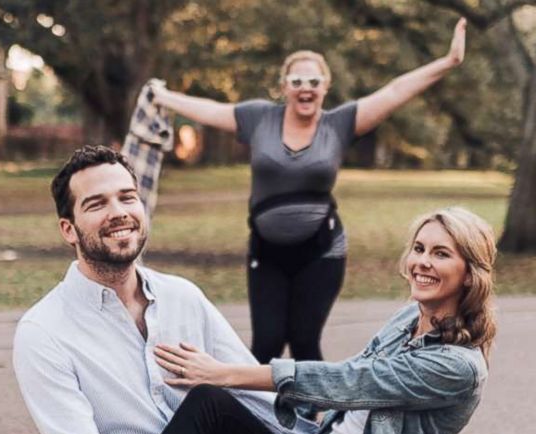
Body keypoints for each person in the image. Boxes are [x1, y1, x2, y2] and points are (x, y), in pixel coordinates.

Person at [11, 145, 360, 434]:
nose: (119, 212)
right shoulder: (44, 332)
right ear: (68, 229)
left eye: (127, 197)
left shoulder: (183, 297)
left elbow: (254, 400)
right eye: (97, 204)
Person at [90, 206, 498, 434]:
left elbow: (353, 380)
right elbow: (352, 382)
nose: (422, 262)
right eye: (420, 248)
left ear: (468, 274)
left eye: (441, 254)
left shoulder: (458, 366)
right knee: (209, 401)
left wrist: (227, 371)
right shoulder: (410, 317)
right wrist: (232, 387)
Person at [151, 19, 468, 364]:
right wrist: (164, 97)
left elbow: (394, 91)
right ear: (284, 87)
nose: (306, 88)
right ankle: (256, 417)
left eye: (314, 82)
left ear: (325, 87)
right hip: (266, 251)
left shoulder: (339, 124)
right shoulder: (259, 118)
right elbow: (211, 111)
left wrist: (449, 61)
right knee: (266, 345)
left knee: (304, 342)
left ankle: (313, 418)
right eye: (297, 81)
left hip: (322, 252)